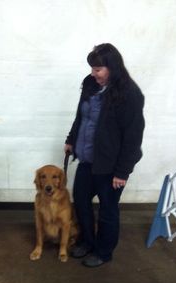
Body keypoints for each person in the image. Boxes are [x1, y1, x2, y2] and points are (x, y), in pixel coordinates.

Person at [64, 43, 145, 267]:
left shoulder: (130, 94)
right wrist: (71, 139)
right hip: (87, 160)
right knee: (81, 202)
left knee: (107, 211)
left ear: (112, 67)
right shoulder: (90, 84)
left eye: (98, 69)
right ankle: (87, 241)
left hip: (111, 167)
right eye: (92, 68)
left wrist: (122, 172)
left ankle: (103, 251)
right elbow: (81, 117)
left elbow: (133, 137)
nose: (93, 74)